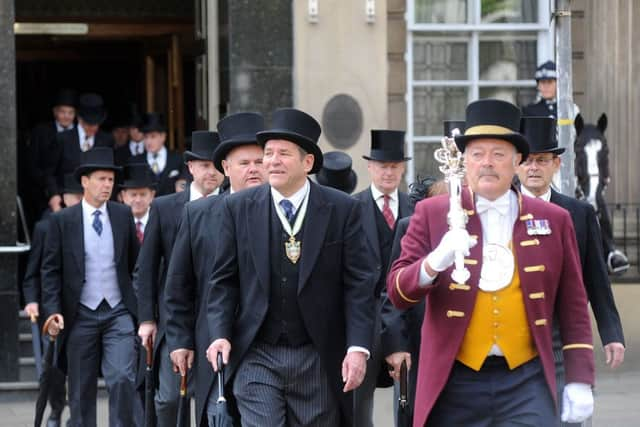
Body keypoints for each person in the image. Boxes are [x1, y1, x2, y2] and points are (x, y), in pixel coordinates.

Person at [387, 99, 595, 427]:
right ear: (464, 162)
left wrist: (580, 378)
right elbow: (398, 293)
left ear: (517, 162)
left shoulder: (553, 219)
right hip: (454, 381)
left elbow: (573, 305)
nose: (487, 163)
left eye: (498, 154)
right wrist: (433, 262)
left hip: (526, 381)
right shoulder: (432, 214)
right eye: (477, 154)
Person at [206, 108, 375, 426]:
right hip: (258, 352)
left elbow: (359, 285)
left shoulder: (342, 210)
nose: (271, 161)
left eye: (283, 153)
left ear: (307, 162)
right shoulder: (237, 208)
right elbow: (223, 281)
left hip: (317, 355)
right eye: (268, 153)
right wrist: (220, 334)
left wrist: (357, 348)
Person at [517, 115, 625, 425]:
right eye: (526, 160)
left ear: (556, 165)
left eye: (542, 160)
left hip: (565, 339)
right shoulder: (502, 209)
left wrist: (611, 333)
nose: (533, 167)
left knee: (569, 418)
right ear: (516, 165)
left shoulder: (578, 213)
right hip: (516, 337)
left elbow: (596, 279)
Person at [164, 112, 266, 427]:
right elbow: (179, 285)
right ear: (225, 167)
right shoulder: (198, 214)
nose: (253, 169)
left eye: (259, 161)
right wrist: (180, 340)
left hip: (265, 343)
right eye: (244, 162)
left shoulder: (280, 212)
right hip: (214, 343)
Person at [41, 147, 142, 427]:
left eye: (111, 180)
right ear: (84, 181)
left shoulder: (123, 215)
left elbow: (137, 264)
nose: (107, 185)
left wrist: (141, 310)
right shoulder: (62, 221)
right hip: (80, 314)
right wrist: (52, 312)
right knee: (80, 389)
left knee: (122, 376)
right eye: (101, 179)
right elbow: (50, 271)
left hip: (117, 311)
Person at [135, 130, 222, 427]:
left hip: (217, 314)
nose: (211, 172)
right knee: (170, 397)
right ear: (191, 168)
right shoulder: (164, 206)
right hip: (175, 315)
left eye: (216, 165)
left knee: (215, 398)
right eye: (204, 165)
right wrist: (147, 318)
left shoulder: (235, 204)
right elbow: (145, 267)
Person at [352, 129, 413, 425]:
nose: (388, 172)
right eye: (382, 166)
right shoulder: (351, 207)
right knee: (359, 402)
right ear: (370, 168)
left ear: (402, 169)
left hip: (404, 317)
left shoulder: (416, 209)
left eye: (394, 166)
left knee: (408, 399)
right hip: (364, 316)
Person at [22, 173, 83, 427]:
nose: (78, 200)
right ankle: (57, 409)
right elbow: (33, 271)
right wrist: (32, 300)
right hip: (53, 307)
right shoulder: (45, 227)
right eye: (73, 196)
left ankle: (78, 415)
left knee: (80, 366)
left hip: (83, 307)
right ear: (63, 199)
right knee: (54, 368)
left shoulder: (94, 224)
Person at [45, 93, 114, 212]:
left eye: (96, 123)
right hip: (65, 201)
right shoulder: (62, 139)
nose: (92, 127)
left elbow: (112, 174)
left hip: (99, 201)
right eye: (88, 123)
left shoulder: (106, 140)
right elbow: (49, 173)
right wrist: (54, 196)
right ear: (79, 119)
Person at [28, 88, 77, 217]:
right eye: (62, 112)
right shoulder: (41, 132)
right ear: (55, 112)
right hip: (44, 192)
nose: (66, 116)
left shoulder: (80, 133)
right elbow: (33, 164)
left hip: (75, 193)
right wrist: (48, 187)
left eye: (70, 112)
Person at [132, 112, 183, 196]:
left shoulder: (178, 159)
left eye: (153, 136)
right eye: (146, 137)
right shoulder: (135, 162)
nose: (148, 141)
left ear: (163, 137)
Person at [119, 163, 156, 243]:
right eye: (133, 195)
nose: (138, 200)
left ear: (152, 195)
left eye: (143, 194)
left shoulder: (160, 222)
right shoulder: (116, 223)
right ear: (123, 196)